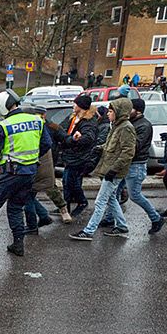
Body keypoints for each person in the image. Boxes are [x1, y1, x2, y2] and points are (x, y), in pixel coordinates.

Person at [0, 90, 51, 257]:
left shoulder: (5, 125)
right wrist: (32, 158)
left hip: (10, 173)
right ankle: (18, 244)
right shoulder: (37, 120)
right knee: (15, 208)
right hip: (29, 173)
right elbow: (46, 144)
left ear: (3, 108)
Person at [69, 98, 136, 241]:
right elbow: (111, 144)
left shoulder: (126, 128)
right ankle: (122, 225)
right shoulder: (117, 126)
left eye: (111, 111)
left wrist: (114, 170)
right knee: (111, 199)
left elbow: (127, 152)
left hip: (114, 171)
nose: (108, 114)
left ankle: (89, 231)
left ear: (119, 112)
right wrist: (99, 149)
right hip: (109, 168)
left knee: (100, 201)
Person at [113, 99, 163, 234]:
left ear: (138, 111)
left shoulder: (144, 126)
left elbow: (134, 146)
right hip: (126, 163)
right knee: (114, 192)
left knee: (135, 195)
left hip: (136, 165)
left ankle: (156, 218)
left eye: (130, 109)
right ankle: (110, 219)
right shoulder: (131, 123)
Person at [50, 95, 98, 218]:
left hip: (80, 158)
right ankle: (65, 207)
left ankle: (82, 202)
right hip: (70, 156)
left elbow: (89, 138)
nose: (73, 106)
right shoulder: (73, 118)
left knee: (73, 183)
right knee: (66, 182)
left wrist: (77, 139)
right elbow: (64, 130)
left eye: (75, 104)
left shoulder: (88, 121)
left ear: (81, 106)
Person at [23, 106, 62, 233]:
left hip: (37, 168)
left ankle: (33, 225)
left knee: (26, 196)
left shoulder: (37, 129)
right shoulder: (40, 126)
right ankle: (43, 216)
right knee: (29, 196)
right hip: (43, 167)